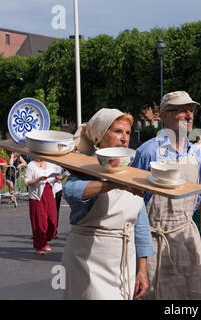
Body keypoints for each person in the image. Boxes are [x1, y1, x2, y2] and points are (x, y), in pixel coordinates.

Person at [61, 108, 153, 300]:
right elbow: (72, 191)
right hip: (88, 259)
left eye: (127, 132)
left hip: (122, 261)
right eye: (118, 131)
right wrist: (111, 184)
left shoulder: (131, 171)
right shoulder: (86, 166)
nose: (124, 138)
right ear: (100, 136)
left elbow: (141, 224)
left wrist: (142, 269)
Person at [132, 91, 201, 299]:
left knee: (191, 295)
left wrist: (181, 219)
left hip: (186, 238)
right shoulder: (148, 152)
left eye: (191, 111)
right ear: (164, 115)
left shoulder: (195, 154)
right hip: (155, 241)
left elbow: (197, 195)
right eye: (182, 111)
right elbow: (135, 201)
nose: (189, 116)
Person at [24, 158, 58, 254]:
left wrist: (57, 179)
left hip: (49, 194)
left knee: (52, 221)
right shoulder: (30, 165)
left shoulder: (50, 163)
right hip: (36, 196)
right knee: (39, 222)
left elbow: (53, 178)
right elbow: (27, 182)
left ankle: (45, 240)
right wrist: (39, 178)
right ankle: (40, 245)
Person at [51, 164, 70, 237]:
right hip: (46, 187)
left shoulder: (59, 159)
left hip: (57, 188)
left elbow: (69, 168)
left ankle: (54, 230)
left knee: (56, 210)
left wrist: (62, 176)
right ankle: (42, 230)